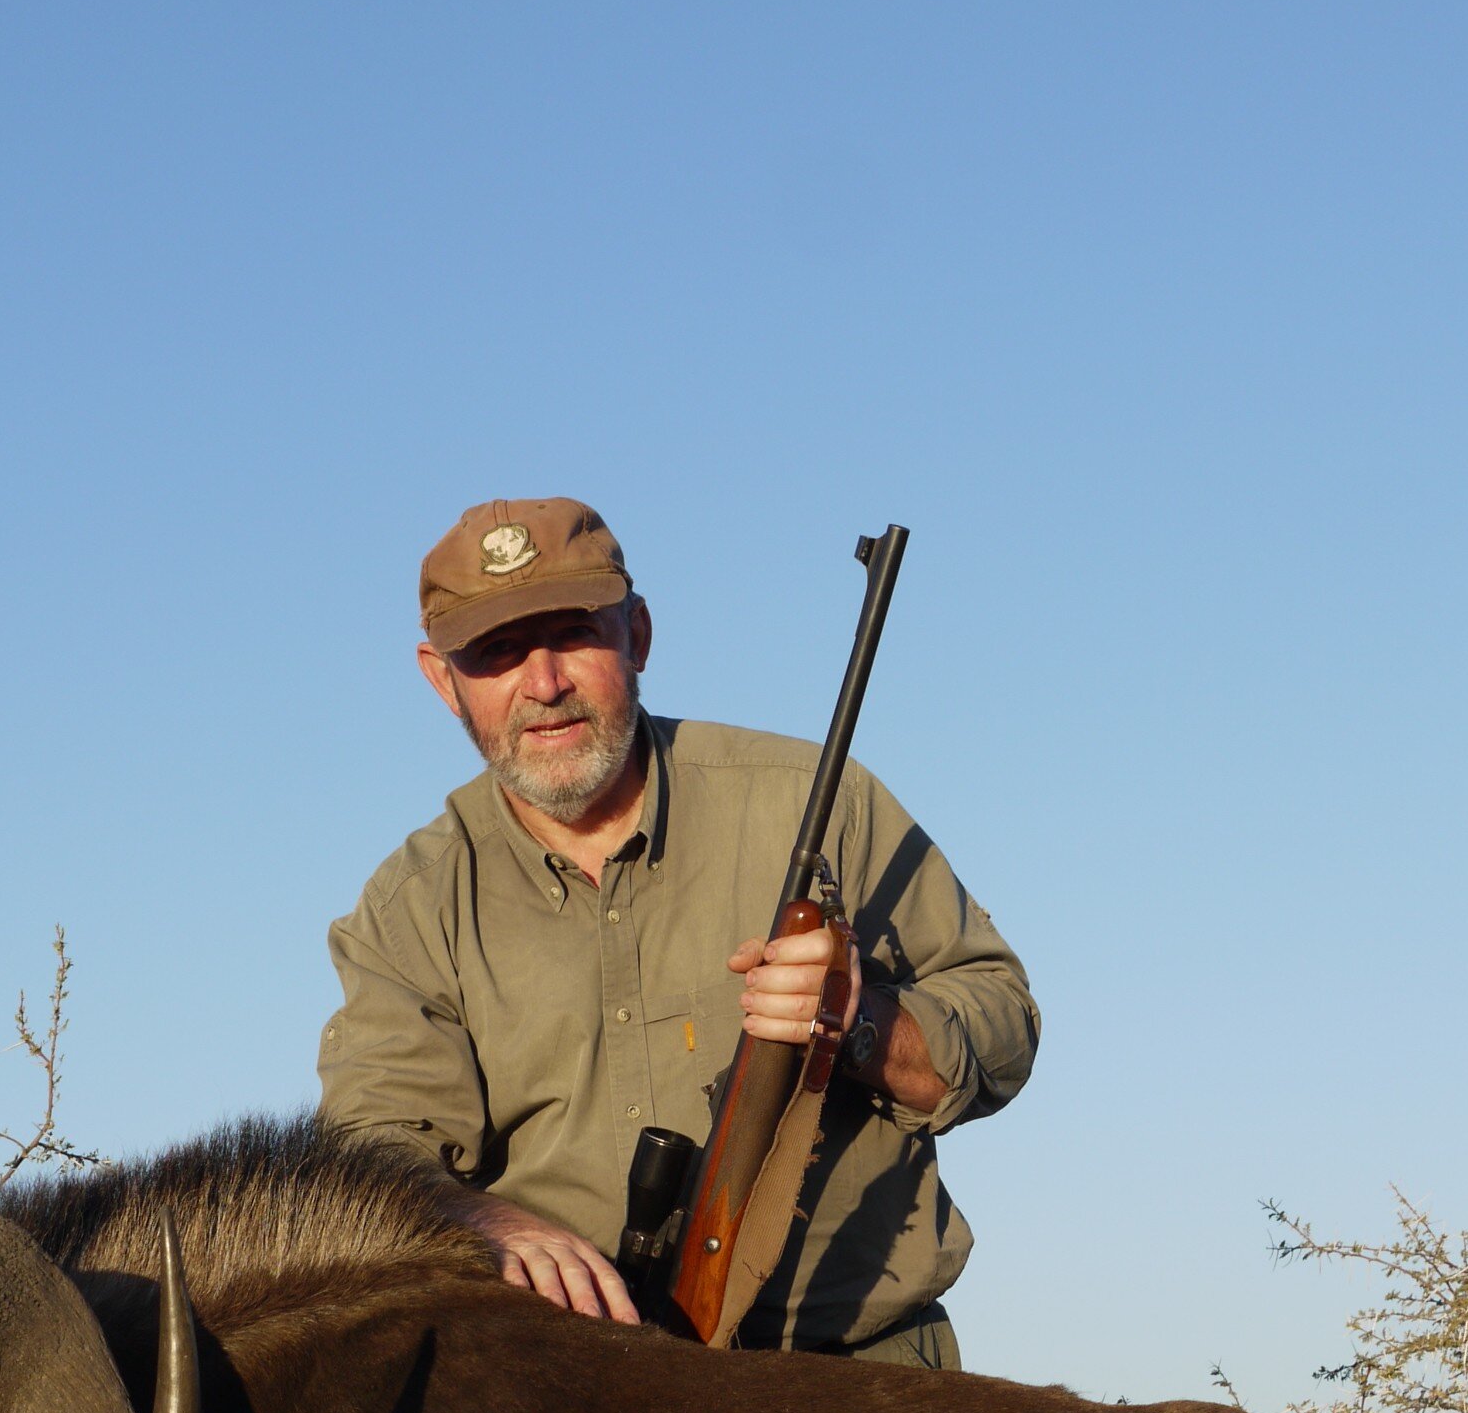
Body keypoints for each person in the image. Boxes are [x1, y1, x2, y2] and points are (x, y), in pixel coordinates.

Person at [316, 496, 1039, 1365]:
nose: (543, 685)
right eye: (499, 653)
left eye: (574, 634)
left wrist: (861, 1021)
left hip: (865, 1380)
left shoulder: (819, 797)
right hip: (590, 1399)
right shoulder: (407, 912)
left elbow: (1004, 1027)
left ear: (639, 635)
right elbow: (372, 1152)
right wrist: (482, 1220)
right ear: (442, 679)